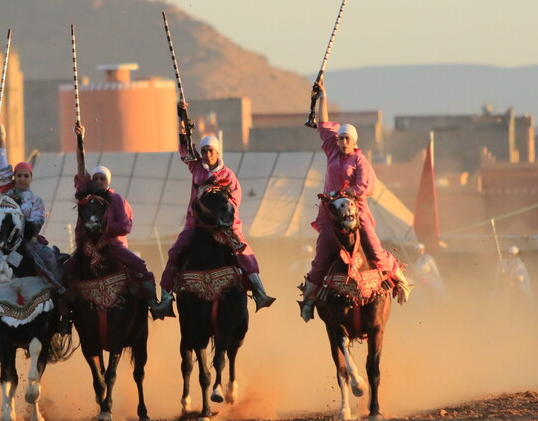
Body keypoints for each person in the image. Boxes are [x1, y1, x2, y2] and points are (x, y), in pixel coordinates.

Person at [300, 78, 411, 321]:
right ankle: (308, 300)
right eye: (339, 138)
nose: (341, 142)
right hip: (330, 213)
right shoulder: (331, 150)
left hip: (355, 213)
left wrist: (347, 192)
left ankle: (398, 277)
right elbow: (323, 123)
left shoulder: (360, 160)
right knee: (320, 257)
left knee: (372, 246)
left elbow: (366, 186)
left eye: (345, 139)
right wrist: (322, 96)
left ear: (354, 140)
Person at [153, 102, 275, 317]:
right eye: (204, 151)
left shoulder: (228, 176)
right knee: (175, 252)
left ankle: (258, 289)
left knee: (242, 248)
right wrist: (181, 117)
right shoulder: (196, 167)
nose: (207, 154)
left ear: (217, 152)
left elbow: (234, 201)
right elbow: (184, 148)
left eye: (210, 151)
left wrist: (224, 220)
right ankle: (166, 297)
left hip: (224, 224)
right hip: (196, 223)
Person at [0, 122, 65, 330]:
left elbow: (36, 224)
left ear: (30, 178)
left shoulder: (35, 200)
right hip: (2, 246)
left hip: (28, 243)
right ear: (14, 177)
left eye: (26, 176)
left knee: (53, 263)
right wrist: (2, 137)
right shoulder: (7, 194)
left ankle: (61, 313)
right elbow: (2, 162)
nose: (22, 179)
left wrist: (21, 226)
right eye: (19, 175)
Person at [64, 123, 162, 318]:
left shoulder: (116, 199)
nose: (99, 182)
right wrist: (79, 139)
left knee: (140, 266)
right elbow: (81, 167)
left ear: (108, 181)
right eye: (96, 178)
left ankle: (153, 302)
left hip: (113, 245)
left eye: (102, 179)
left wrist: (104, 228)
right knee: (65, 271)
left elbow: (126, 226)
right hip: (88, 248)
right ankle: (65, 315)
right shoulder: (87, 197)